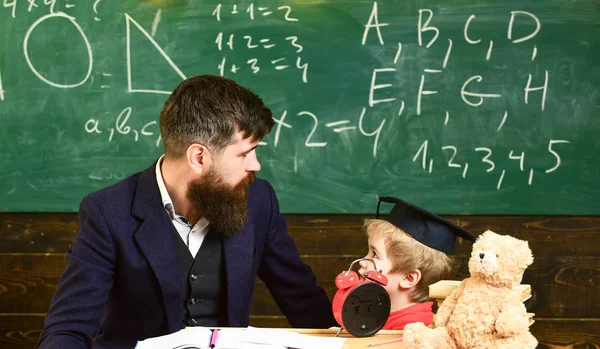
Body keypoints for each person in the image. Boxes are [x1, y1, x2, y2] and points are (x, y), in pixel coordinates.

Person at [37, 75, 337, 349]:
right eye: (244, 153)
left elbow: (304, 302)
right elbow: (66, 329)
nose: (255, 165)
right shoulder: (106, 212)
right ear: (198, 157)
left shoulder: (259, 199)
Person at [359, 196, 476, 330]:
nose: (362, 262)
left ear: (409, 278)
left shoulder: (417, 328)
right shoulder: (372, 314)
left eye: (375, 254)